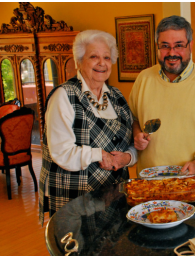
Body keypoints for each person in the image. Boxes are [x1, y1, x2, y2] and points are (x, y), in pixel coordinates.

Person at [39, 30, 137, 225]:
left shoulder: (117, 97)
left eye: (107, 57)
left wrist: (127, 157)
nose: (102, 63)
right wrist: (99, 155)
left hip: (112, 196)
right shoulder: (64, 96)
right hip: (75, 199)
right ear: (78, 61)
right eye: (94, 57)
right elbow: (61, 152)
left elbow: (132, 143)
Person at [129, 15, 195, 181]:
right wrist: (137, 134)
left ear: (190, 46)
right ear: (157, 46)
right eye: (165, 46)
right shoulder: (143, 79)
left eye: (178, 46)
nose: (172, 53)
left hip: (194, 182)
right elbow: (133, 117)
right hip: (150, 183)